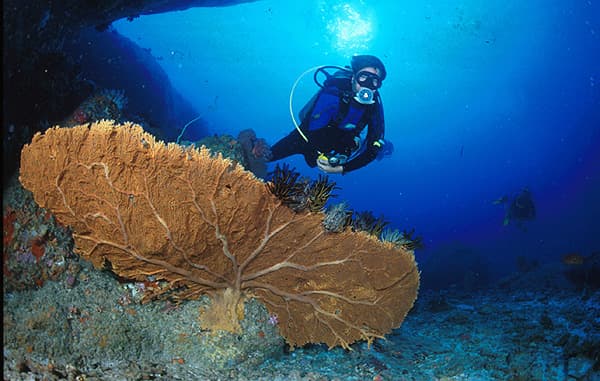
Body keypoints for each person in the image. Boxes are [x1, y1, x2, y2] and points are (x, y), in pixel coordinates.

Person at [269, 54, 388, 174]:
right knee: (267, 156)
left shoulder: (373, 106)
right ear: (353, 78)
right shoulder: (335, 90)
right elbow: (313, 127)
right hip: (303, 137)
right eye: (363, 77)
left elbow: (373, 149)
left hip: (335, 147)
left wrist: (342, 168)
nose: (367, 84)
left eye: (374, 80)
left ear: (377, 86)